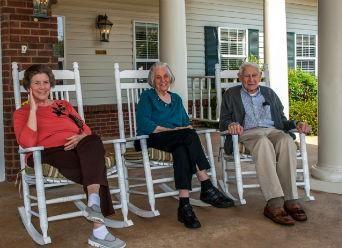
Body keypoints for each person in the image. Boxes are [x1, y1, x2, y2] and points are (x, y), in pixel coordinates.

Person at [13, 64, 125, 248]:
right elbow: (27, 143)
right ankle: (99, 229)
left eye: (46, 82)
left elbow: (86, 130)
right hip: (46, 152)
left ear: (51, 85)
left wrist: (81, 137)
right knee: (96, 167)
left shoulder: (63, 105)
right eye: (36, 83)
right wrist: (33, 110)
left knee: (93, 139)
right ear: (28, 87)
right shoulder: (21, 113)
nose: (42, 87)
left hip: (78, 147)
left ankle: (93, 204)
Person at [135, 62, 234, 229]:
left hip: (176, 140)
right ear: (152, 80)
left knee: (182, 150)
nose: (162, 80)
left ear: (170, 78)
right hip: (152, 137)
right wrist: (171, 130)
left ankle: (184, 205)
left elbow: (185, 123)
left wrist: (180, 130)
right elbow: (143, 123)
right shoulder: (147, 97)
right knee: (188, 135)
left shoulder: (176, 98)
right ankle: (206, 185)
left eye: (165, 76)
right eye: (158, 77)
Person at [219, 62, 311, 226]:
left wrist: (297, 124)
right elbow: (224, 120)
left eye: (254, 75)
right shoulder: (231, 94)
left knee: (287, 141)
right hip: (248, 132)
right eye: (246, 76)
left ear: (260, 77)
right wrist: (231, 125)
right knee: (263, 143)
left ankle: (290, 199)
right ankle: (274, 202)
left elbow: (282, 120)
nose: (251, 79)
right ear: (240, 78)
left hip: (272, 130)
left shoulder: (269, 93)